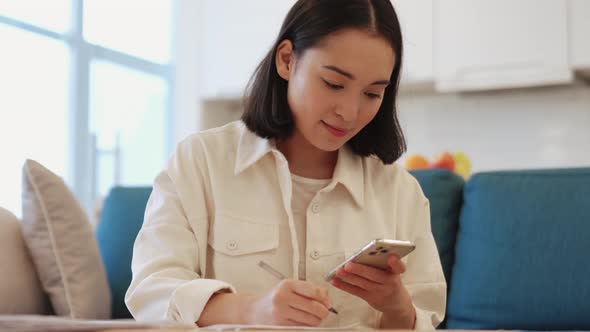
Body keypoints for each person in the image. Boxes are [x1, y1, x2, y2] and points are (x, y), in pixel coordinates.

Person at [125, 0, 446, 329]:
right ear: (287, 60)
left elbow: (426, 317)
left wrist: (398, 309)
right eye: (334, 84)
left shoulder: (400, 193)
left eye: (372, 93)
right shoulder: (200, 162)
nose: (349, 112)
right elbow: (151, 290)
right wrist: (248, 309)